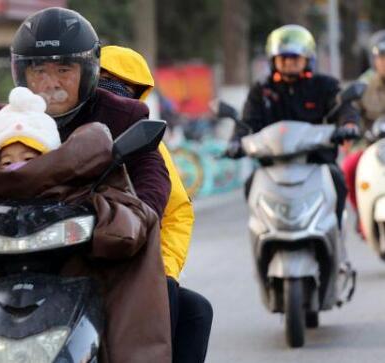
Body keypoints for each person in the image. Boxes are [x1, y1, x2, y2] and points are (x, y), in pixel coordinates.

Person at [0, 6, 171, 362]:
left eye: (64, 69)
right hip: (4, 250)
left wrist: (136, 217)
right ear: (22, 74)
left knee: (186, 307)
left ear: (88, 71)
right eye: (39, 69)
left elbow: (150, 173)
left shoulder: (120, 115)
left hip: (90, 249)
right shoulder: (3, 119)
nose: (51, 82)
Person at [98, 44, 212, 363]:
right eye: (102, 82)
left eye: (122, 88)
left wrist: (163, 271)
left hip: (133, 266)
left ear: (138, 98)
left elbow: (176, 213)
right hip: (73, 261)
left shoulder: (147, 145)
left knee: (196, 312)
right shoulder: (49, 132)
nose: (111, 96)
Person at [226, 24, 360, 229]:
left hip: (316, 163)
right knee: (250, 184)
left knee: (338, 182)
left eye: (295, 58)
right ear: (273, 60)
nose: (289, 63)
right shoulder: (261, 90)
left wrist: (348, 124)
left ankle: (338, 241)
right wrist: (236, 140)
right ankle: (262, 229)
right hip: (272, 165)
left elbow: (343, 107)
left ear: (307, 59)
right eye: (283, 58)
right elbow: (248, 121)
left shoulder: (325, 85)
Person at [342, 30, 385, 234]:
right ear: (374, 59)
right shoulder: (363, 85)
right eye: (382, 56)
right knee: (350, 167)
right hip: (370, 144)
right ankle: (363, 211)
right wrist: (351, 130)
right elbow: (351, 113)